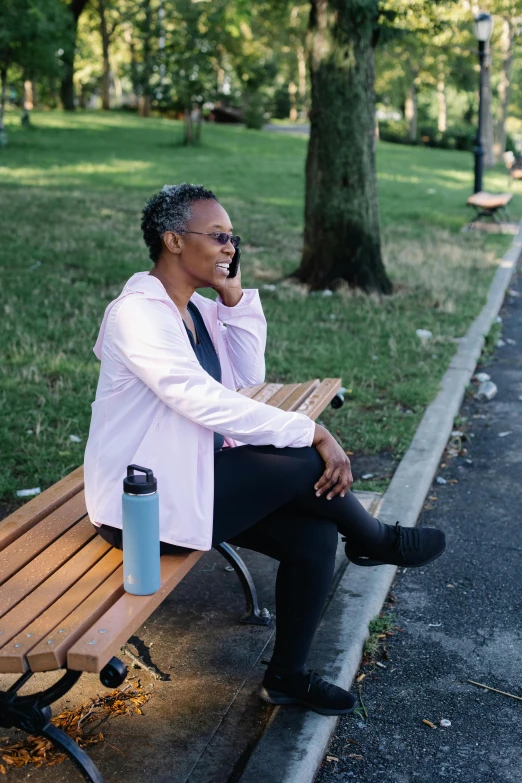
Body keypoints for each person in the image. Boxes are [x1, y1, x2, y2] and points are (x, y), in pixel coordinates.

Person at [84, 183, 446, 716]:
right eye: (218, 236)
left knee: (316, 534)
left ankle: (287, 677)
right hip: (141, 506)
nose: (230, 247)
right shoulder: (137, 314)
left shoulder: (198, 311)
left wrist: (233, 303)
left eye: (233, 237)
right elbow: (197, 398)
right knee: (301, 457)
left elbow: (246, 383)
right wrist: (314, 432)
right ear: (174, 241)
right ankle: (374, 538)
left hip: (195, 480)